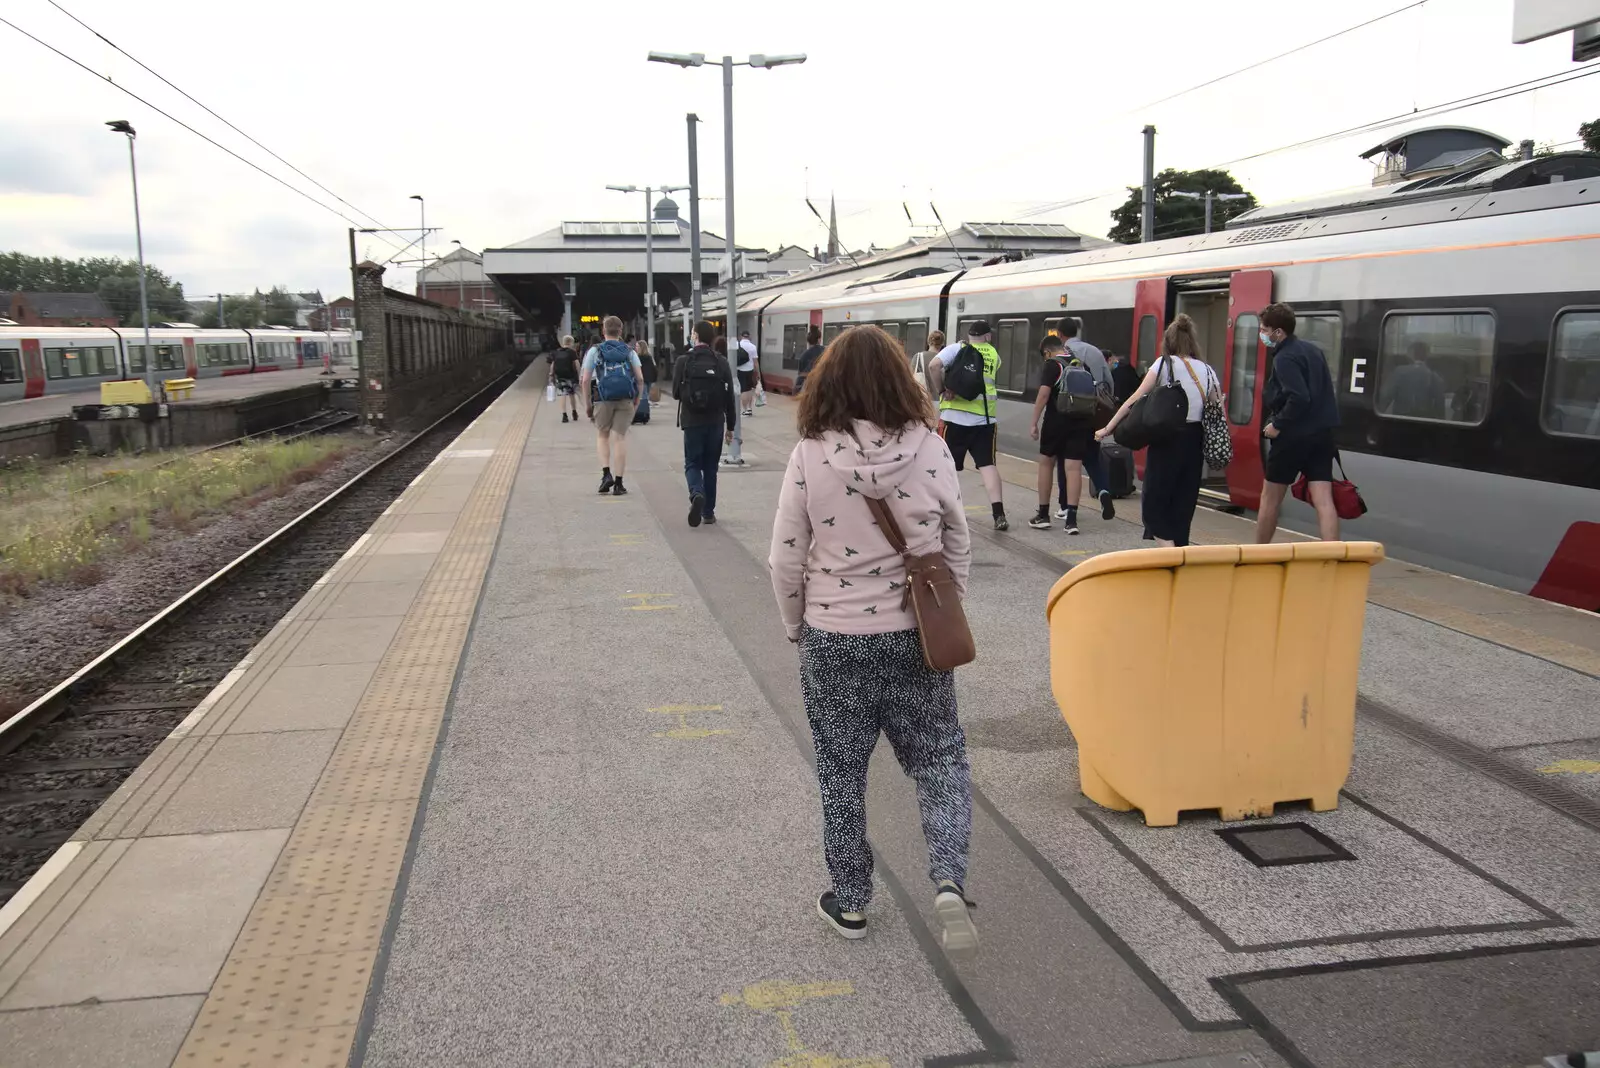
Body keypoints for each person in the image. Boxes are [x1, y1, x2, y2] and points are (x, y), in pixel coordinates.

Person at [767, 324, 978, 953]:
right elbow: (958, 539)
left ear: (828, 383)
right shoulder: (932, 448)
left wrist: (794, 623)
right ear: (899, 380)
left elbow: (784, 556)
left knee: (841, 772)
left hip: (834, 637)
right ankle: (946, 879)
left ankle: (852, 901)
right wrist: (945, 607)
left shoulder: (810, 453)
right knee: (940, 761)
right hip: (915, 635)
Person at [1095, 314, 1219, 547]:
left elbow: (1134, 399)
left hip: (1167, 441)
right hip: (1195, 442)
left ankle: (1169, 553)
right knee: (1183, 503)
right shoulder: (1207, 371)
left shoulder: (1164, 364)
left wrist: (1108, 427)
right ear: (1192, 342)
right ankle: (1179, 552)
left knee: (1153, 503)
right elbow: (1216, 406)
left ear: (1168, 342)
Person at [1256, 302, 1342, 543]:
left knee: (1270, 498)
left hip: (1292, 438)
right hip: (1322, 436)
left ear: (1278, 332)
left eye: (1264, 329)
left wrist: (1277, 424)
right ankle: (1333, 555)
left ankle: (1257, 554)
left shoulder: (1284, 357)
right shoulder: (1314, 351)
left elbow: (1299, 396)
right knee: (1323, 499)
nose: (1262, 334)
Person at [927, 321, 1008, 531]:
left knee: (947, 468)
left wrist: (942, 389)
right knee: (988, 466)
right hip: (984, 420)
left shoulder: (957, 348)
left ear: (968, 335)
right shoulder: (994, 355)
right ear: (988, 336)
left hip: (954, 419)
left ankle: (943, 513)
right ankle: (999, 514)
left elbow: (934, 366)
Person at [1029, 335, 1114, 533]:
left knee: (1046, 463)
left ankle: (1043, 515)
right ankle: (1072, 521)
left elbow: (1043, 394)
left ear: (1048, 352)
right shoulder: (1081, 365)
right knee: (1074, 469)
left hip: (1056, 422)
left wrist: (1034, 422)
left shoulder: (1053, 365)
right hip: (1081, 423)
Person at [673, 320, 737, 527]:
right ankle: (708, 512)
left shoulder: (684, 361)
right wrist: (731, 427)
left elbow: (675, 393)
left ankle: (696, 493)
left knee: (692, 463)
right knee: (711, 467)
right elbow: (730, 398)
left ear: (696, 336)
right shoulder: (721, 361)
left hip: (692, 422)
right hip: (716, 422)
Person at [579, 315, 646, 495]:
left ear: (603, 331)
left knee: (602, 436)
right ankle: (619, 483)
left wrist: (587, 404)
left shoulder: (595, 351)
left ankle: (606, 474)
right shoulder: (629, 351)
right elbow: (640, 378)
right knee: (620, 439)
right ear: (621, 331)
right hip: (625, 399)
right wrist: (637, 399)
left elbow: (585, 380)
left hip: (602, 398)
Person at [716, 336, 746, 467]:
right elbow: (730, 401)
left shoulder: (716, 361)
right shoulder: (726, 363)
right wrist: (730, 426)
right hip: (723, 404)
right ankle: (733, 447)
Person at [548, 335, 581, 424]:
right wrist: (579, 374)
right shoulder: (572, 352)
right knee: (571, 394)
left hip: (560, 376)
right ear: (571, 343)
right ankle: (574, 412)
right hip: (570, 376)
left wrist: (551, 375)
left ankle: (564, 415)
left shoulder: (557, 352)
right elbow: (577, 364)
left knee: (563, 394)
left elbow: (553, 365)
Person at [911, 330, 944, 398]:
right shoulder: (945, 358)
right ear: (942, 343)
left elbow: (910, 377)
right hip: (942, 401)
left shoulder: (918, 357)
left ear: (928, 342)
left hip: (925, 400)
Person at [736, 330, 761, 416]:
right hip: (750, 370)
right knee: (749, 389)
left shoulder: (737, 344)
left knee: (743, 390)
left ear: (741, 336)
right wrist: (758, 373)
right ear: (749, 336)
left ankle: (745, 409)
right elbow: (755, 362)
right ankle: (749, 408)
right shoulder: (753, 346)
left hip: (740, 370)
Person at [794, 326, 825, 394]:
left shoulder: (804, 356)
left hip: (811, 393)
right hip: (825, 391)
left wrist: (795, 393)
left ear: (808, 341)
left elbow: (800, 379)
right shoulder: (826, 352)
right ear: (819, 339)